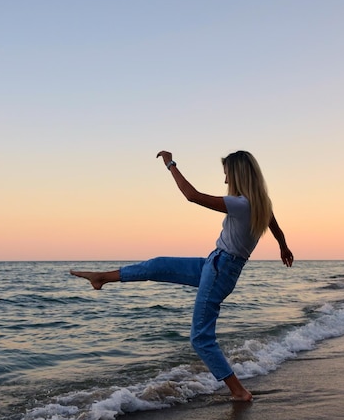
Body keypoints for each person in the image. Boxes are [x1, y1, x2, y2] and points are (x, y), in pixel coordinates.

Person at [71, 150, 293, 402]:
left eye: (227, 175)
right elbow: (274, 224)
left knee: (200, 337)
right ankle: (102, 278)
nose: (225, 181)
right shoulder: (260, 203)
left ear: (238, 175)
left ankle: (239, 392)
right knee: (157, 265)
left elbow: (192, 196)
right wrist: (283, 246)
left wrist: (170, 164)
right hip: (216, 263)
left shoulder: (240, 204)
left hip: (221, 269)